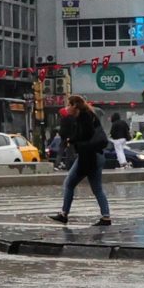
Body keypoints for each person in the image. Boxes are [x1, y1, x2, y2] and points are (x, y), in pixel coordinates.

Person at [52, 93, 112, 227]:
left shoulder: (84, 117)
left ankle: (64, 214)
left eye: (69, 105)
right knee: (97, 188)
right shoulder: (88, 116)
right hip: (97, 155)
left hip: (89, 156)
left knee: (69, 183)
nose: (67, 108)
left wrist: (71, 140)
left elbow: (85, 136)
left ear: (75, 105)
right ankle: (106, 217)